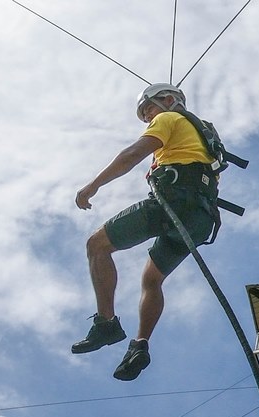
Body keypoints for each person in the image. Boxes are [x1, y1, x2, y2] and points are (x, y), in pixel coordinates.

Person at [72, 82, 221, 381]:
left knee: (97, 245)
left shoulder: (169, 119)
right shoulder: (202, 134)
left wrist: (92, 186)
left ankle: (106, 323)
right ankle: (140, 345)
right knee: (151, 279)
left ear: (168, 99)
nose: (148, 118)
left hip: (174, 203)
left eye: (148, 109)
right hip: (200, 219)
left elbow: (132, 155)